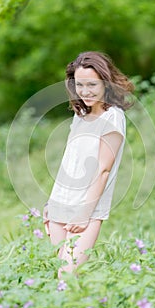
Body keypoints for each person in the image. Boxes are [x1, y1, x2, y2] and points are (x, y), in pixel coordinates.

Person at [43, 51, 134, 276]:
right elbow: (70, 161)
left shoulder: (112, 117)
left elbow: (103, 170)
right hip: (60, 203)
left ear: (106, 82)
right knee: (61, 276)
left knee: (68, 273)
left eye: (92, 84)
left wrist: (84, 213)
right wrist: (50, 203)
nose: (85, 91)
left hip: (87, 208)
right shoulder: (81, 115)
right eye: (80, 85)